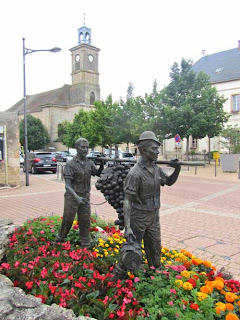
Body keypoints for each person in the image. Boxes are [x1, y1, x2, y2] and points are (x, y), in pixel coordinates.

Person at [113, 131, 181, 279]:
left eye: (158, 148)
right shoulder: (135, 173)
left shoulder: (156, 169)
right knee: (132, 250)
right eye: (154, 149)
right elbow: (127, 201)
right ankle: (118, 276)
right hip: (139, 217)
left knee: (155, 251)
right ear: (143, 150)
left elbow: (168, 182)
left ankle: (154, 277)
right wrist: (128, 227)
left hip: (154, 217)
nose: (157, 152)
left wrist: (177, 169)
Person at [55, 138, 104, 248]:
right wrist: (77, 198)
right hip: (72, 197)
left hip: (85, 197)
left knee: (85, 220)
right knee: (68, 220)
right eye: (83, 147)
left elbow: (97, 173)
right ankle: (59, 240)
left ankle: (85, 244)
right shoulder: (70, 164)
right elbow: (67, 186)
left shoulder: (89, 163)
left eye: (87, 147)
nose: (85, 149)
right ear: (76, 148)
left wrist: (101, 164)